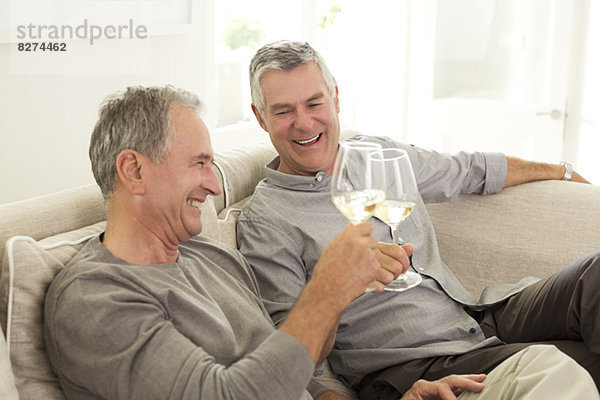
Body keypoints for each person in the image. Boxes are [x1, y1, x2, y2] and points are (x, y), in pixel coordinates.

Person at [43, 84, 539, 400]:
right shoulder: (97, 298)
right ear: (133, 170)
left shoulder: (208, 256)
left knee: (544, 369)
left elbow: (299, 366)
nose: (215, 187)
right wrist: (327, 287)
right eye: (198, 164)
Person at [236, 40, 600, 399]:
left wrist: (562, 171)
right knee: (566, 368)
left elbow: (467, 169)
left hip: (475, 315)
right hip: (411, 364)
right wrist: (339, 286)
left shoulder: (379, 155)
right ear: (260, 116)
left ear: (335, 98)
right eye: (284, 111)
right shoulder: (266, 220)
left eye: (314, 103)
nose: (303, 122)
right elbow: (295, 358)